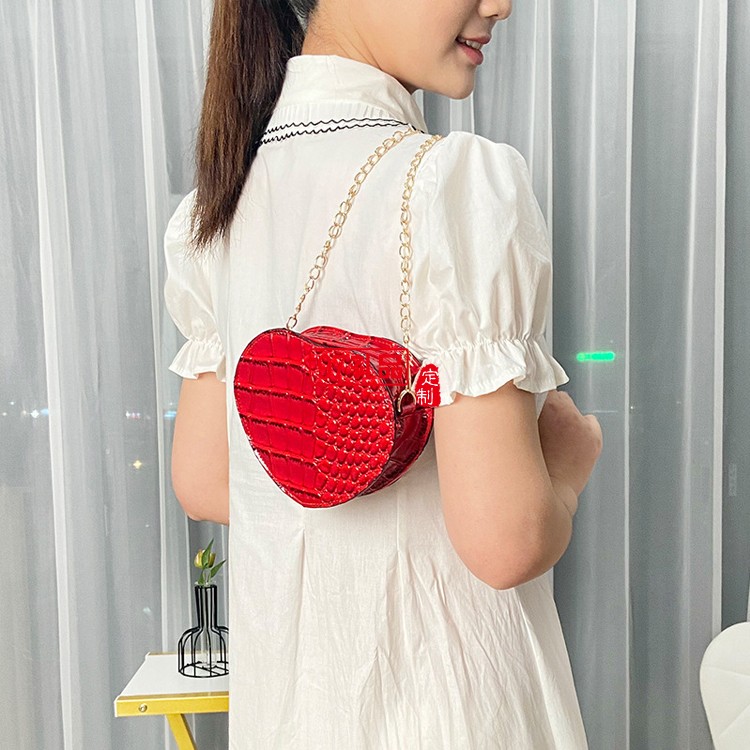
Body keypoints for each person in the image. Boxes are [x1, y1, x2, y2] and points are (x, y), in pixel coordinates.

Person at [164, 0, 603, 747]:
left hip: (292, 710)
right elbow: (507, 544)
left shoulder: (214, 210)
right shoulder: (453, 187)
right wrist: (564, 469)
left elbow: (206, 483)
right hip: (445, 705)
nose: (501, 5)